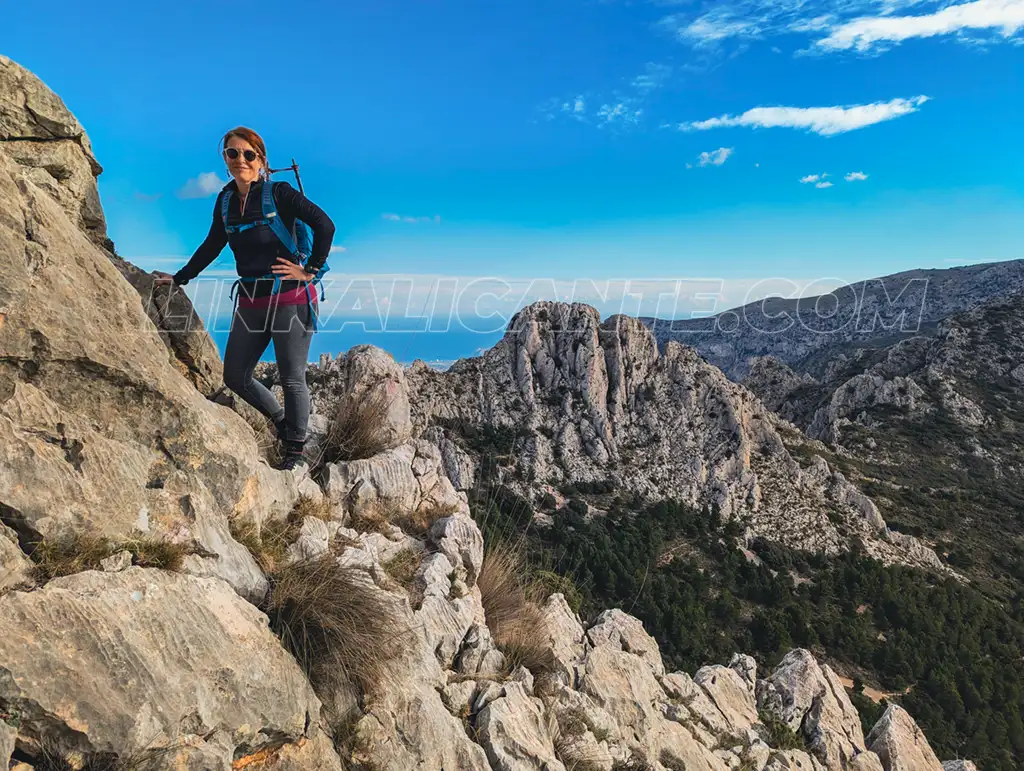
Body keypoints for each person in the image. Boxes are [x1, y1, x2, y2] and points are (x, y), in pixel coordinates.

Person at [154, 126, 335, 471]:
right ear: (224, 159)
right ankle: (283, 423)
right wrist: (180, 278)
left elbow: (325, 225)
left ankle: (295, 451)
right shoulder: (225, 202)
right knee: (235, 375)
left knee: (292, 376)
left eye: (248, 154)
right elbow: (212, 244)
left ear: (262, 161)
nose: (240, 160)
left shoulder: (279, 193)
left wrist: (309, 271)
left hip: (290, 298)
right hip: (252, 299)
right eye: (232, 153)